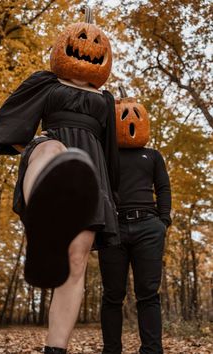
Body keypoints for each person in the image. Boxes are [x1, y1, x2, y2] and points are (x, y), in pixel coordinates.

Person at [0, 7, 119, 354]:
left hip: (89, 176)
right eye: (81, 39)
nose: (89, 45)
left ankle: (55, 349)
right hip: (49, 148)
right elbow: (13, 124)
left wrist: (111, 198)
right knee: (55, 150)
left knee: (77, 261)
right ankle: (43, 219)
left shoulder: (106, 100)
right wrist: (32, 144)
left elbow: (109, 153)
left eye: (96, 43)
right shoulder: (46, 82)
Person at [99, 89, 171, 354]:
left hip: (148, 228)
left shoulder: (152, 156)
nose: (129, 119)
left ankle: (152, 351)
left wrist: (163, 222)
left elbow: (163, 188)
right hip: (113, 229)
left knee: (148, 295)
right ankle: (111, 351)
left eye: (135, 114)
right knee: (112, 295)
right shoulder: (106, 155)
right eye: (122, 115)